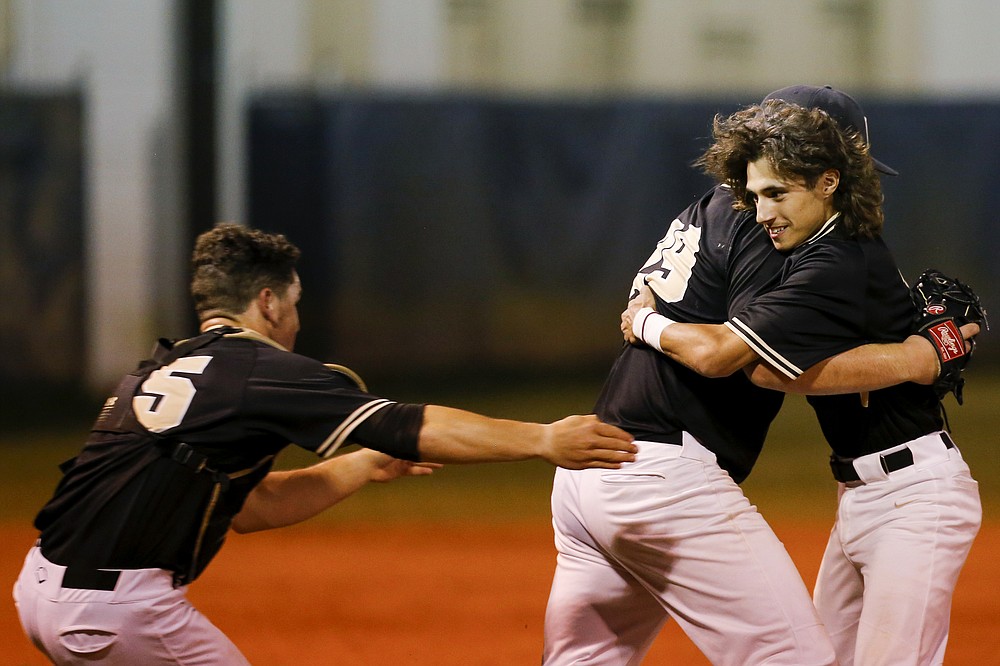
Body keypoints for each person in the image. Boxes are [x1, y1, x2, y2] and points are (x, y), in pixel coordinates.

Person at [13, 223, 637, 666]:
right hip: (114, 612)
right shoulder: (264, 372)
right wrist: (543, 439)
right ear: (266, 301)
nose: (296, 318)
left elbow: (252, 508)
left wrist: (360, 467)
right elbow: (408, 423)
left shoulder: (158, 370)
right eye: (294, 303)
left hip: (41, 590)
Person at [541, 86, 978, 666]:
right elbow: (750, 365)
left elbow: (729, 345)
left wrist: (927, 351)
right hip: (679, 473)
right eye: (762, 188)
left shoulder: (736, 219)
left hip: (912, 488)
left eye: (778, 189)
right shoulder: (777, 233)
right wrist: (922, 355)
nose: (766, 204)